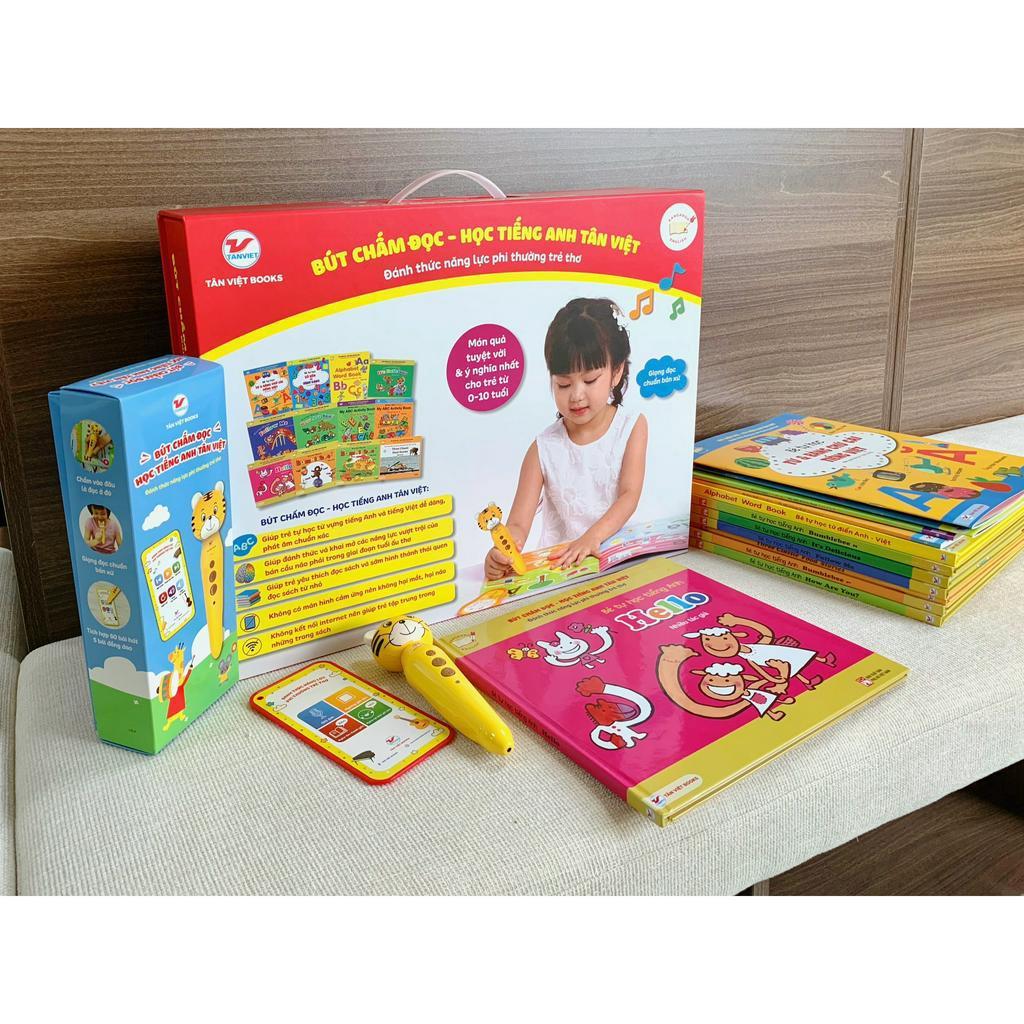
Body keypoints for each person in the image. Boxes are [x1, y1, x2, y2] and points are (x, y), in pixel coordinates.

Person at [485, 298, 648, 580]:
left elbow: (629, 496)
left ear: (616, 371)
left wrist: (591, 537)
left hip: (616, 564)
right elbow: (518, 524)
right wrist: (504, 550)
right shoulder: (543, 448)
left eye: (589, 380)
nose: (576, 395)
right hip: (561, 573)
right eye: (563, 384)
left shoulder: (631, 427)